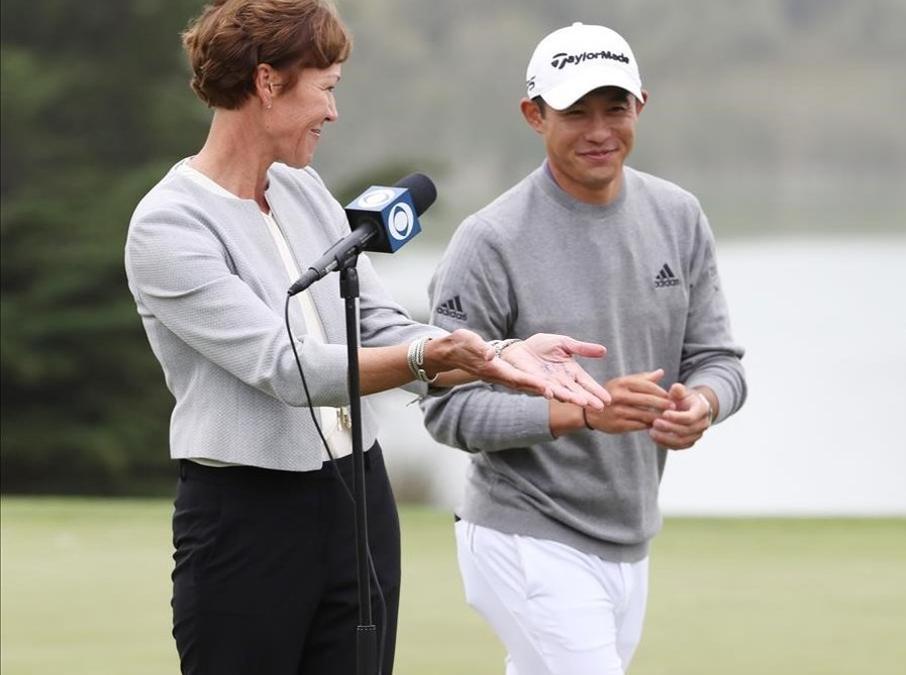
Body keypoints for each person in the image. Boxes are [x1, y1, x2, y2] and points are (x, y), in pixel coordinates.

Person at [123, 2, 611, 673]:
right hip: (246, 518)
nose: (332, 111)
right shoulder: (169, 226)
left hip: (359, 499)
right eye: (326, 87)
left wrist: (497, 354)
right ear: (268, 83)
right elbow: (284, 367)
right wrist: (428, 357)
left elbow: (378, 323)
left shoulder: (303, 190)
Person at [421, 22, 748, 675]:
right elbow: (447, 411)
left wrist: (703, 404)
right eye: (576, 112)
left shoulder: (678, 215)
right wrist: (579, 412)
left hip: (629, 538)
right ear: (534, 115)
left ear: (641, 106)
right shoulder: (489, 240)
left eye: (615, 108)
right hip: (523, 530)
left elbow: (720, 360)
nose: (600, 129)